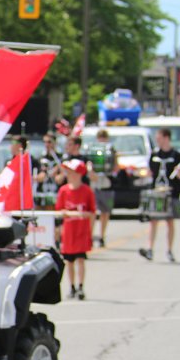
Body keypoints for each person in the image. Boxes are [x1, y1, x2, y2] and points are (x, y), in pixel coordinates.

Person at [140, 127, 180, 262]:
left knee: (170, 222)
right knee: (153, 221)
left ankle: (169, 250)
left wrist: (179, 172)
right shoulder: (154, 154)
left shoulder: (176, 155)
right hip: (157, 192)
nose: (157, 141)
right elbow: (149, 172)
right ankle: (150, 249)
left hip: (171, 192)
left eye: (159, 138)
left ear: (166, 138)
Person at [56, 159, 96, 300]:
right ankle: (71, 286)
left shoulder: (87, 191)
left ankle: (80, 286)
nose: (69, 175)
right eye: (68, 172)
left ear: (79, 174)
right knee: (69, 261)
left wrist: (90, 228)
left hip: (81, 231)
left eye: (72, 172)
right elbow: (59, 210)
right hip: (69, 231)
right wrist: (67, 214)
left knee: (80, 259)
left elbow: (92, 212)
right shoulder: (64, 190)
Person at [86, 128, 116, 247]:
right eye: (100, 138)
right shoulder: (92, 150)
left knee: (105, 212)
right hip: (95, 183)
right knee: (93, 211)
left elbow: (115, 167)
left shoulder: (111, 150)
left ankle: (102, 236)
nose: (102, 140)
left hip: (107, 183)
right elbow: (88, 164)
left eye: (104, 138)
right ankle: (90, 235)